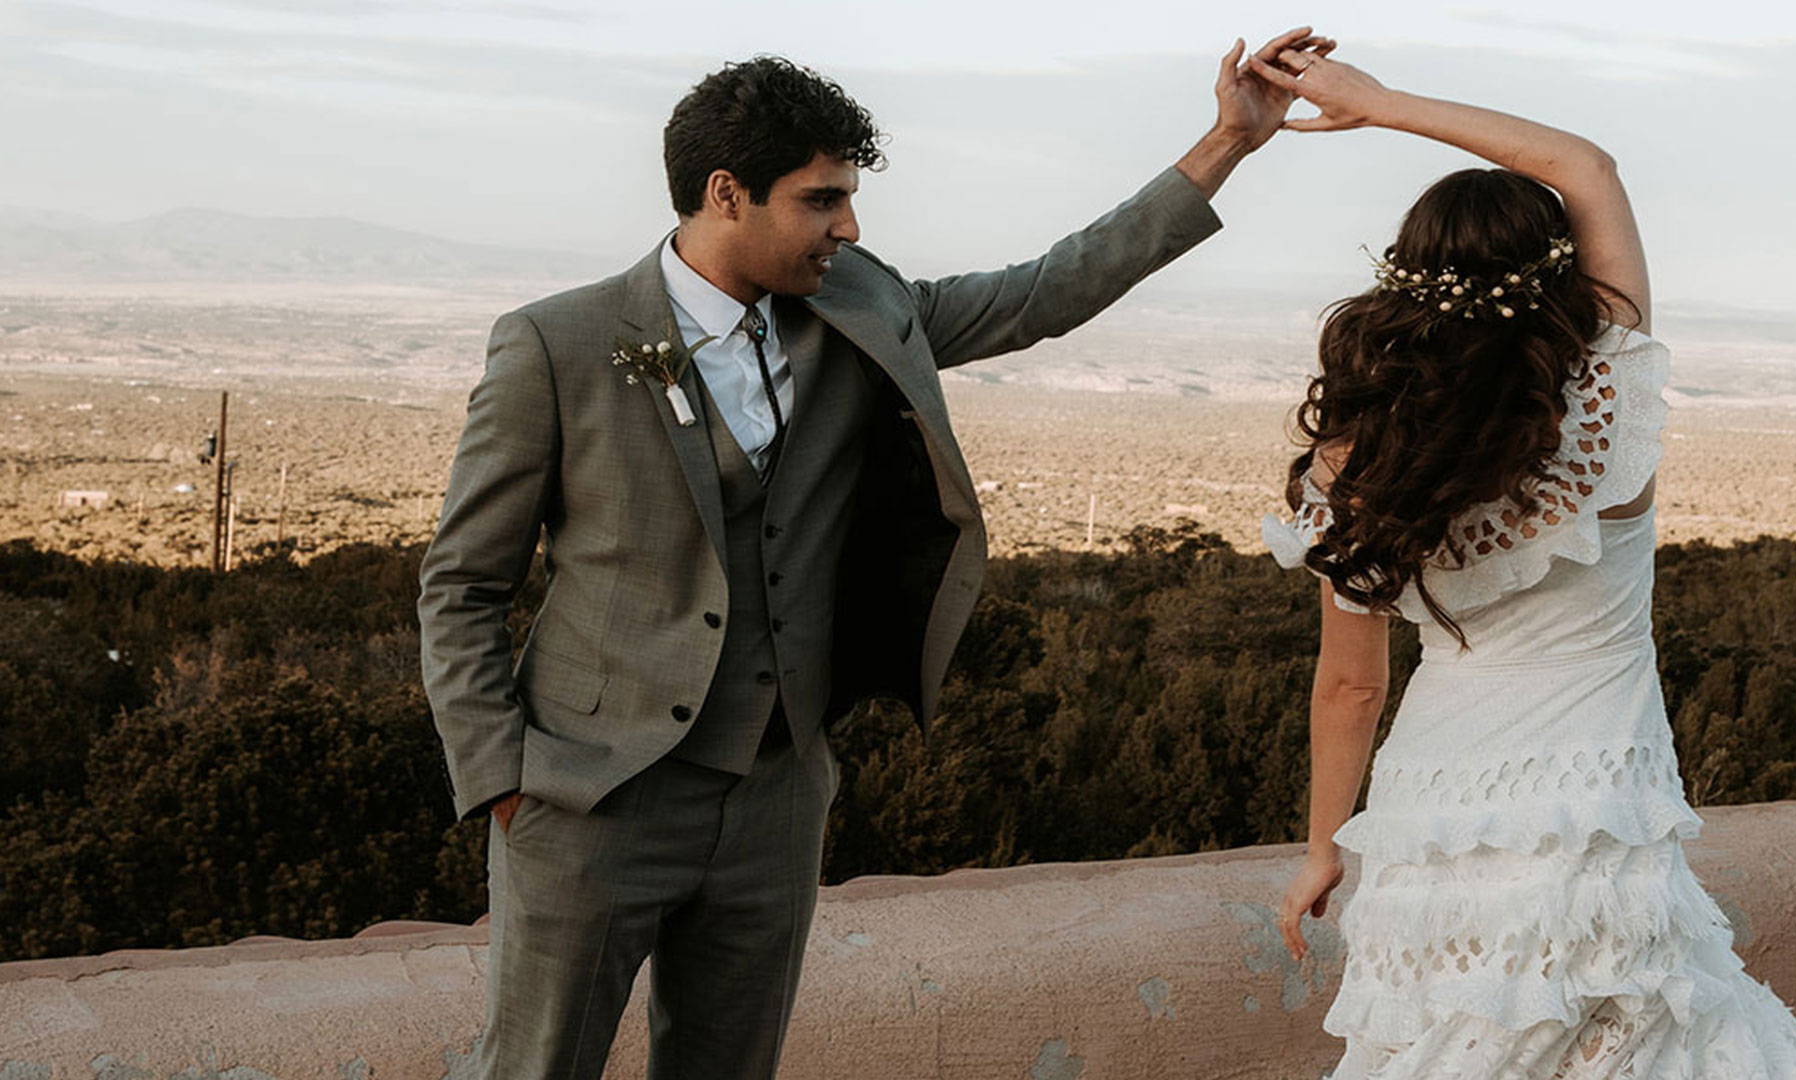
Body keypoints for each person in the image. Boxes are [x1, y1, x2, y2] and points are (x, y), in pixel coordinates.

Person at [417, 32, 1331, 1080]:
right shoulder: (555, 344)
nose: (847, 226)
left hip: (776, 796)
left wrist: (1227, 143)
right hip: (590, 798)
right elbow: (462, 583)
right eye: (820, 200)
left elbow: (1043, 291)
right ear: (727, 193)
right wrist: (502, 779)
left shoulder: (862, 308)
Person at [1248, 46, 1796, 1079]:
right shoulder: (1606, 396)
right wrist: (1378, 106)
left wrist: (1325, 848)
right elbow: (1588, 167)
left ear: (1404, 278)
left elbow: (1348, 684)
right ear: (1553, 275)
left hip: (1432, 814)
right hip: (1595, 803)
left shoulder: (1360, 459)